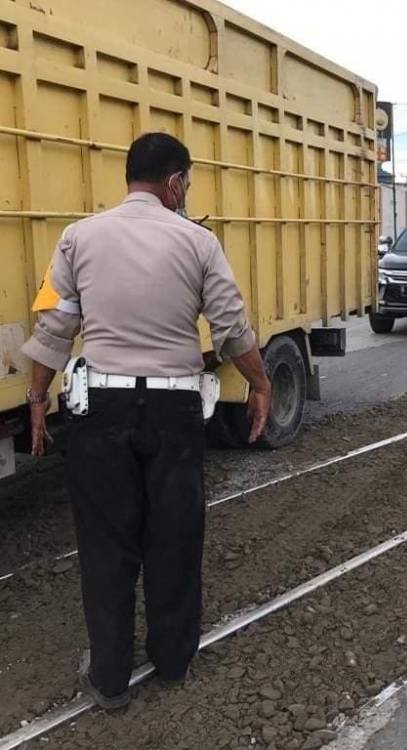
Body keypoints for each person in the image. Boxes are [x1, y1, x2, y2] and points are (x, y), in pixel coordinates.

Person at [21, 133, 272, 708]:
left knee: (106, 546)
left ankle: (108, 678)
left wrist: (38, 399)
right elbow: (232, 329)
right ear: (175, 181)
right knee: (174, 537)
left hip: (99, 413)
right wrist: (259, 383)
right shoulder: (198, 242)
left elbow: (54, 329)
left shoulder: (77, 238)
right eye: (188, 181)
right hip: (174, 412)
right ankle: (174, 660)